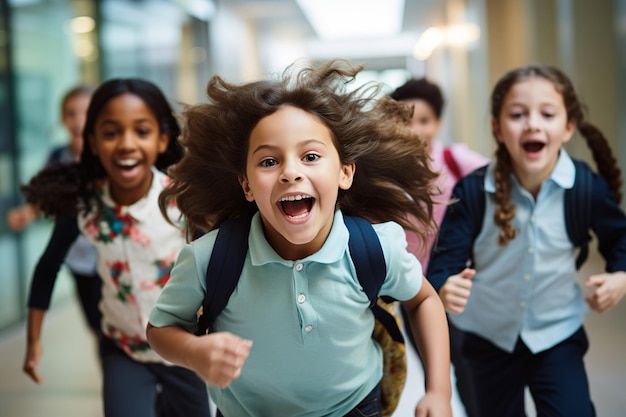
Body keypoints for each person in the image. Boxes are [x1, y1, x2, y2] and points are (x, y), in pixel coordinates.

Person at [146, 59, 453, 417]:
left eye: (310, 156)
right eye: (268, 162)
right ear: (246, 185)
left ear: (344, 172)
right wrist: (193, 353)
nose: (291, 172)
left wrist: (439, 391)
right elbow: (160, 328)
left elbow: (423, 300)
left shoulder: (374, 248)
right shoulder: (210, 258)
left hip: (354, 408)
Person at [427, 64, 626, 416]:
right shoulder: (474, 191)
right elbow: (446, 258)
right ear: (498, 129)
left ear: (567, 128)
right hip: (487, 339)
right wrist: (445, 285)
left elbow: (620, 238)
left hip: (556, 334)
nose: (533, 123)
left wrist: (620, 275)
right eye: (518, 115)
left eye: (547, 114)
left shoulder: (583, 187)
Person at [21, 79, 212, 417]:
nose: (126, 144)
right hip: (122, 348)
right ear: (92, 142)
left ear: (162, 139)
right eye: (111, 133)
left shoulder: (182, 199)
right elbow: (48, 266)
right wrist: (34, 341)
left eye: (141, 131)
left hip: (182, 347)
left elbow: (219, 263)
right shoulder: (84, 205)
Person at [390, 78, 488, 417]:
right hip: (413, 290)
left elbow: (503, 182)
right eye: (405, 119)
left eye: (424, 120)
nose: (415, 129)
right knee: (436, 369)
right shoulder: (386, 171)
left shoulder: (456, 160)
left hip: (460, 283)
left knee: (468, 367)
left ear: (438, 123)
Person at [7, 85, 102, 334]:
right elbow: (44, 197)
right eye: (71, 113)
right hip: (79, 258)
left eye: (86, 112)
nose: (78, 120)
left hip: (113, 255)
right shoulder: (58, 157)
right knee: (95, 324)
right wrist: (28, 213)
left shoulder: (109, 155)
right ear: (63, 119)